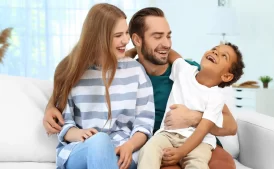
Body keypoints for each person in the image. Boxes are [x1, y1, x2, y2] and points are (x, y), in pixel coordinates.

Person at [44, 7, 237, 169]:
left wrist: (193, 117)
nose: (167, 44)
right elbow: (70, 88)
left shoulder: (187, 71)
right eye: (157, 37)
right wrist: (50, 106)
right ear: (138, 40)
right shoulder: (129, 70)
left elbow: (231, 126)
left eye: (168, 36)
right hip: (161, 144)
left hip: (198, 141)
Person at [53, 3, 155, 169]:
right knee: (100, 140)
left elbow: (144, 124)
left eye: (126, 33)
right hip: (82, 149)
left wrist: (129, 146)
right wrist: (78, 133)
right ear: (98, 38)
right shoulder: (74, 72)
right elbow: (64, 125)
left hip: (123, 151)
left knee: (106, 150)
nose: (126, 40)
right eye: (118, 35)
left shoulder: (136, 72)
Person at [138, 42, 245, 169]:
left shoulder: (216, 98)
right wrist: (138, 49)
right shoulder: (184, 69)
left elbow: (202, 130)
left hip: (200, 142)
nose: (215, 52)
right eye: (214, 49)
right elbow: (170, 53)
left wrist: (181, 152)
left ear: (226, 76)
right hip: (168, 134)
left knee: (197, 164)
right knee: (149, 149)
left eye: (224, 56)